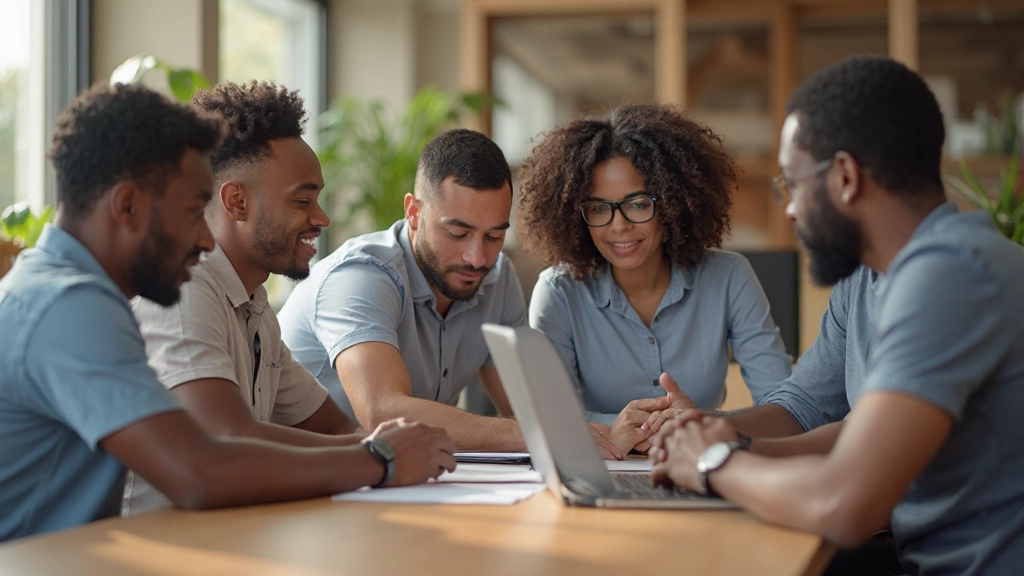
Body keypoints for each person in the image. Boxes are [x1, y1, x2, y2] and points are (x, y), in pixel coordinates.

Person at [0, 83, 455, 542]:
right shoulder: (68, 305)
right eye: (194, 212)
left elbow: (211, 450)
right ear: (128, 206)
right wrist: (381, 459)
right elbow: (200, 467)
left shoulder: (68, 293)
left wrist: (377, 452)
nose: (204, 239)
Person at [651, 56, 1024, 574]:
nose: (789, 209)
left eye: (792, 184)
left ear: (845, 177)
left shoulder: (950, 276)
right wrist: (719, 435)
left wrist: (714, 463)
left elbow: (845, 506)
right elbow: (826, 414)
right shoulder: (873, 274)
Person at [124, 81, 373, 514]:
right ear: (236, 202)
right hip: (153, 550)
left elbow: (335, 428)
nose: (321, 217)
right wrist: (378, 459)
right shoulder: (185, 287)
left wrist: (379, 450)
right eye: (303, 200)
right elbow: (224, 435)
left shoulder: (254, 302)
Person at [515, 103, 792, 456]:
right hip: (603, 466)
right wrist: (619, 426)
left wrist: (699, 423)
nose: (618, 226)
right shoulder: (559, 292)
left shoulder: (728, 277)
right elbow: (549, 416)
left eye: (638, 204)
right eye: (599, 208)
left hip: (702, 461)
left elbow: (783, 404)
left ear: (672, 204)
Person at [279, 129, 543, 453]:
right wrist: (531, 435)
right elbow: (384, 412)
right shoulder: (360, 276)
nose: (477, 258)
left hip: (397, 478)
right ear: (414, 214)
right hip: (306, 479)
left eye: (494, 237)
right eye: (458, 233)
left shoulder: (497, 277)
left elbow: (526, 410)